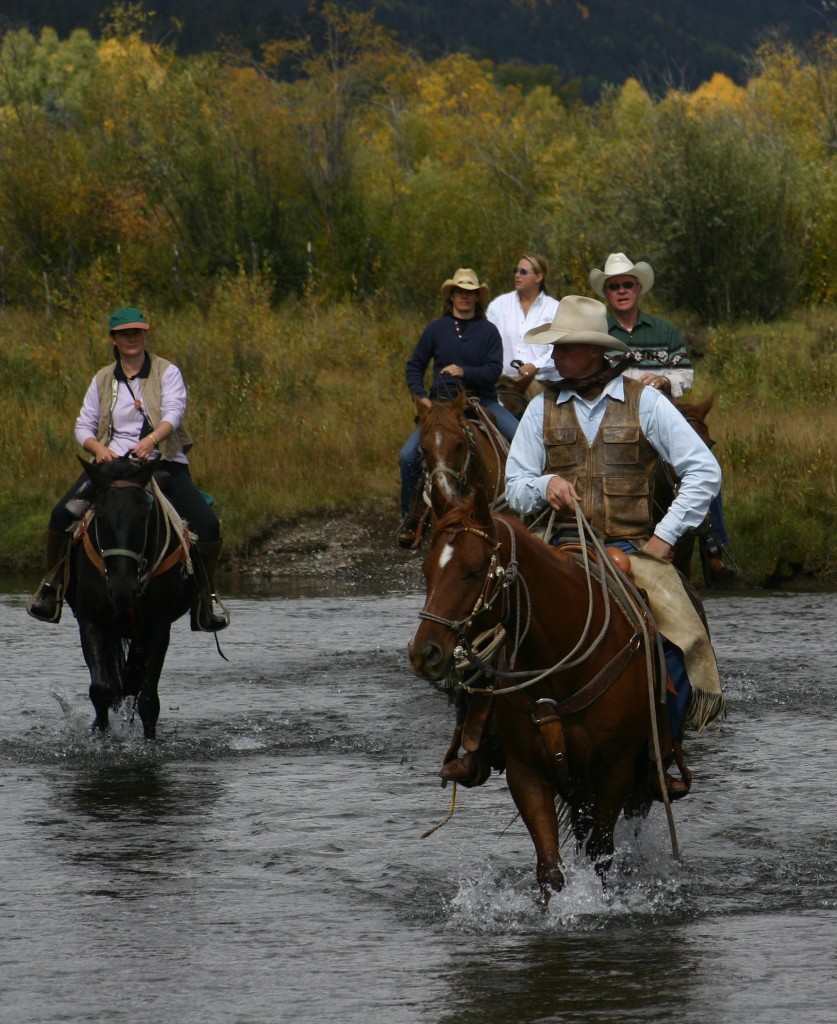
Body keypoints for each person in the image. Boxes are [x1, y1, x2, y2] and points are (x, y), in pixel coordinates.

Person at [441, 295, 725, 794]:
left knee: (682, 639)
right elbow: (515, 485)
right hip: (558, 546)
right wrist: (546, 483)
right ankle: (475, 742)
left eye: (566, 348)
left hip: (633, 549)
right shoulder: (539, 408)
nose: (557, 357)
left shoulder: (647, 403)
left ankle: (661, 750)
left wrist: (664, 538)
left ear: (593, 353)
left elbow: (704, 470)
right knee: (483, 628)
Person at [27, 306, 229, 631]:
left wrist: (152, 441)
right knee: (61, 514)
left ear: (146, 334)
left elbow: (174, 413)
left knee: (207, 524)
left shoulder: (167, 372)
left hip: (162, 464)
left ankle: (205, 600)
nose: (132, 338)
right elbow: (83, 426)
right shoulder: (102, 378)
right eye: (125, 334)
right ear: (113, 339)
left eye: (137, 332)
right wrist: (98, 449)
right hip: (111, 468)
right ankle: (51, 589)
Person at [589, 251, 734, 583]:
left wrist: (664, 379)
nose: (622, 291)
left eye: (627, 284)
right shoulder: (598, 332)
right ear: (606, 294)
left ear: (638, 289)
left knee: (703, 457)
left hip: (663, 413)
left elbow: (685, 374)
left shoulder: (665, 330)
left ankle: (714, 545)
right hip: (614, 416)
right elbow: (590, 376)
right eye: (614, 287)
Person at [398, 268, 519, 548]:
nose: (465, 297)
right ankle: (411, 517)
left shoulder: (488, 331)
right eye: (460, 292)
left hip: (482, 400)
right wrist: (420, 396)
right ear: (451, 295)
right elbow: (415, 366)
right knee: (407, 456)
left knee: (519, 437)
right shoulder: (435, 329)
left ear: (477, 298)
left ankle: (524, 507)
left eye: (470, 293)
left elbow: (492, 371)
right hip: (441, 404)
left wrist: (464, 372)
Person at [486, 252, 559, 389]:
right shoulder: (498, 306)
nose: (517, 275)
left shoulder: (555, 309)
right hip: (503, 386)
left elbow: (558, 350)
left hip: (543, 385)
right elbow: (488, 345)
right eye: (516, 271)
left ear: (538, 277)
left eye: (523, 272)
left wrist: (536, 366)